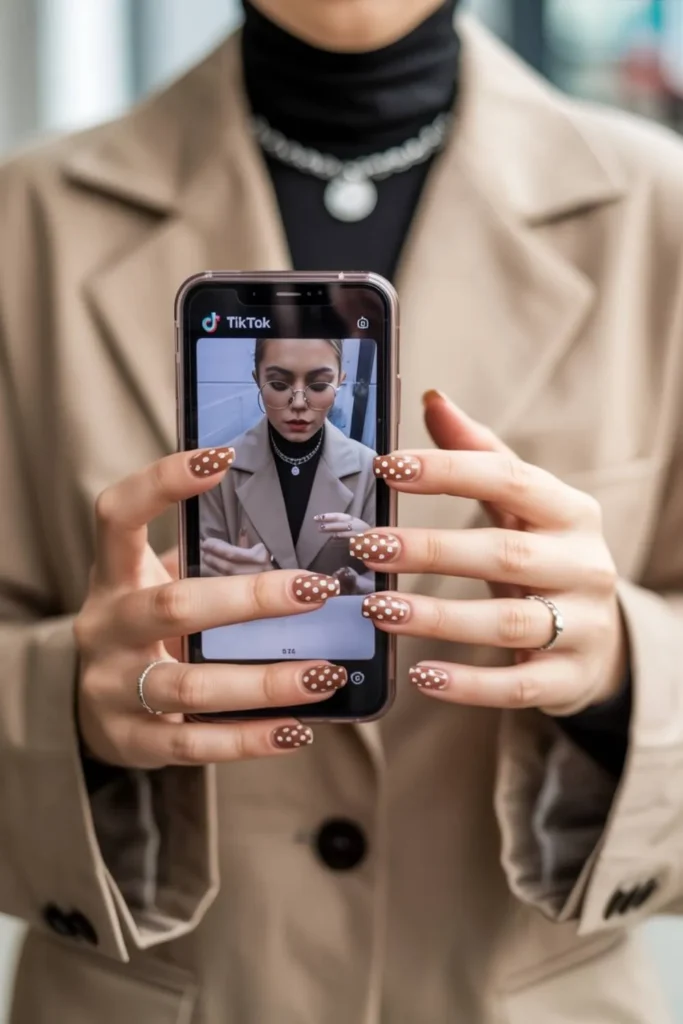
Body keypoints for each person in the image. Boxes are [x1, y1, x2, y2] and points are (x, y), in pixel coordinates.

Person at [0, 1, 682, 1022]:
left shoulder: (659, 216)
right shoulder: (26, 220)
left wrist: (628, 672)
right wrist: (64, 704)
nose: (297, 405)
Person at [199, 336, 376, 595]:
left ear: (339, 381)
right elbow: (197, 576)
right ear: (256, 379)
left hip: (341, 633)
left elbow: (387, 579)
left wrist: (364, 569)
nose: (299, 403)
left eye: (319, 385)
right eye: (279, 384)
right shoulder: (218, 469)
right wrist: (244, 584)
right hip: (245, 632)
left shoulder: (369, 468)